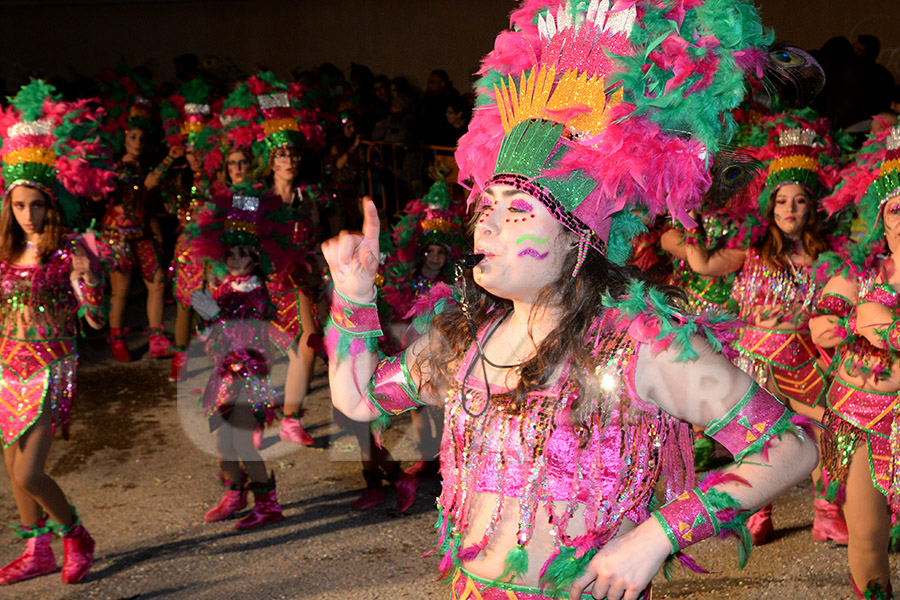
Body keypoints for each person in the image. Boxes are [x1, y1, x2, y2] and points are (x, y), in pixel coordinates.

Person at [323, 2, 819, 599]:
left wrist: (658, 536)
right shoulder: (467, 341)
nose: (487, 228)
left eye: (517, 213)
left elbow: (787, 446)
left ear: (577, 241)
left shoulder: (637, 347)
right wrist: (353, 297)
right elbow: (357, 399)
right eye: (487, 210)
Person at [0, 80, 115, 585]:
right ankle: (36, 550)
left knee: (30, 471)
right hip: (6, 363)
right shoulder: (5, 251)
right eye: (20, 206)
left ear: (51, 202)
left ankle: (76, 534)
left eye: (37, 205)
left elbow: (93, 310)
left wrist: (92, 298)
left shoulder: (69, 249)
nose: (29, 215)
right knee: (11, 465)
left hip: (50, 365)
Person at [815, 124, 900, 599]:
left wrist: (876, 321)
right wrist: (841, 320)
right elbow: (825, 321)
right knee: (867, 540)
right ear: (883, 220)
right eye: (896, 209)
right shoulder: (860, 273)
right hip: (858, 422)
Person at [188, 182, 292, 529]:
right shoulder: (223, 287)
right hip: (224, 378)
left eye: (242, 255)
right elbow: (217, 341)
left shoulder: (258, 294)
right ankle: (235, 493)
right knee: (221, 443)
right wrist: (204, 326)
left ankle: (268, 503)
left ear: (255, 258)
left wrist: (215, 317)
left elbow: (245, 336)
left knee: (245, 444)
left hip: (250, 379)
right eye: (230, 254)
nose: (235, 260)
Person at [96, 80, 173, 362]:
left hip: (142, 236)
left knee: (157, 282)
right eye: (133, 138)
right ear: (124, 139)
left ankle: (156, 338)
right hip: (117, 238)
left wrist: (155, 232)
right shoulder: (119, 168)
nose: (138, 143)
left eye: (142, 138)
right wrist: (168, 161)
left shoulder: (140, 167)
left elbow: (148, 200)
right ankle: (116, 340)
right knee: (121, 290)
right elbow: (146, 185)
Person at [159, 79, 220, 382]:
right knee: (185, 305)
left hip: (214, 250)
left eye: (200, 151)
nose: (195, 156)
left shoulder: (217, 179)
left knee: (212, 304)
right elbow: (148, 186)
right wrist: (170, 159)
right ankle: (179, 358)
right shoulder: (178, 179)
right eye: (191, 151)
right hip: (187, 252)